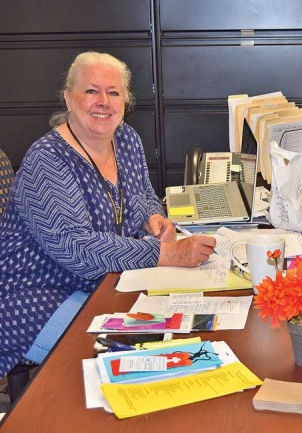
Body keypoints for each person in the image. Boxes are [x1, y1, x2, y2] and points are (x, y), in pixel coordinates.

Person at [0, 52, 216, 378]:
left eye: (113, 92)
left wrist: (152, 218)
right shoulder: (48, 161)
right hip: (39, 297)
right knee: (141, 357)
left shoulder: (126, 139)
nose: (103, 102)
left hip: (107, 282)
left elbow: (142, 194)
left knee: (178, 332)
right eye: (91, 91)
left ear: (125, 100)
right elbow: (79, 251)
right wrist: (165, 252)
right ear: (68, 98)